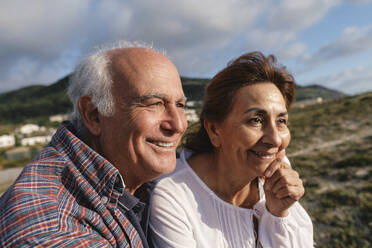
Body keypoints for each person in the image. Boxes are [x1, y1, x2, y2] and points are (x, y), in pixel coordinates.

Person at [0, 41, 188, 247]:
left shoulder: (137, 171)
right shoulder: (53, 227)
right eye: (154, 104)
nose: (178, 124)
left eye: (180, 105)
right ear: (93, 114)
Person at [149, 52, 314, 247]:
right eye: (255, 120)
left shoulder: (276, 174)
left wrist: (278, 214)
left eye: (281, 121)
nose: (275, 139)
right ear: (214, 130)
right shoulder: (173, 198)